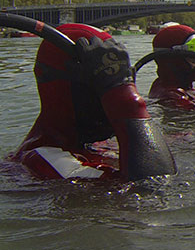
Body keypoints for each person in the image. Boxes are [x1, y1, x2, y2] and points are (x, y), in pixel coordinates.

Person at [7, 24, 176, 181]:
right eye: (109, 84)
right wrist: (128, 102)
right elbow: (154, 187)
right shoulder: (43, 160)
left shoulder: (91, 145)